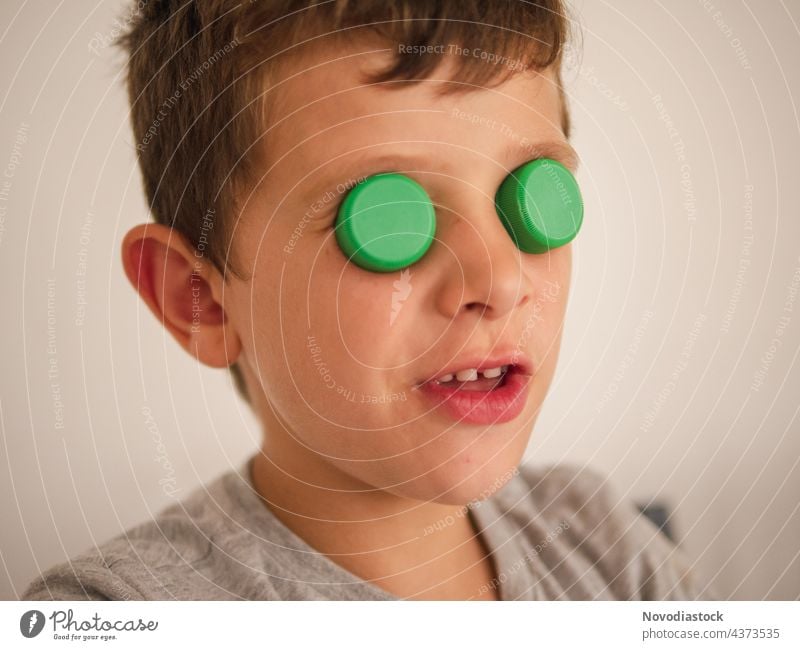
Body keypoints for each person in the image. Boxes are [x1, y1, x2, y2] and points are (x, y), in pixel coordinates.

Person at [23, 0, 713, 601]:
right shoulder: (114, 607)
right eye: (390, 220)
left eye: (533, 197)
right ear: (200, 298)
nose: (501, 278)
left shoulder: (600, 539)